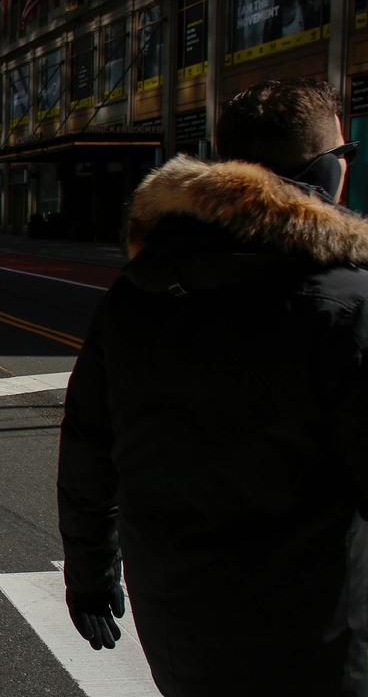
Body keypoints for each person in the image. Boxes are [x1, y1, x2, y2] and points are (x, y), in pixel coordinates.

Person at [58, 78, 368, 696]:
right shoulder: (346, 306)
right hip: (320, 639)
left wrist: (91, 572)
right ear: (327, 170)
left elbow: (89, 445)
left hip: (179, 622)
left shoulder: (137, 292)